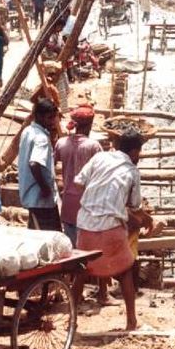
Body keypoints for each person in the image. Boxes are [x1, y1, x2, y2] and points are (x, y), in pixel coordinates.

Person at [71, 128, 147, 331]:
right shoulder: (132, 171)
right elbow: (135, 206)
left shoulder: (99, 158)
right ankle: (131, 321)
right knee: (125, 271)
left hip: (85, 223)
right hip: (110, 226)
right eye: (139, 152)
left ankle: (72, 321)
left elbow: (78, 183)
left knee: (81, 271)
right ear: (134, 152)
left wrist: (96, 198)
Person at [54, 104, 103, 247]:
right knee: (88, 248)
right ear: (90, 125)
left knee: (72, 247)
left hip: (68, 203)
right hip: (88, 205)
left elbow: (51, 164)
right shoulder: (94, 146)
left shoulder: (61, 143)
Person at [18, 97, 62, 231]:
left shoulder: (28, 131)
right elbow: (34, 163)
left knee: (35, 234)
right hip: (41, 200)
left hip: (31, 197)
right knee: (50, 236)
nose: (53, 122)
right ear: (39, 116)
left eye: (54, 117)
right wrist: (45, 188)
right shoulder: (41, 138)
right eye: (49, 118)